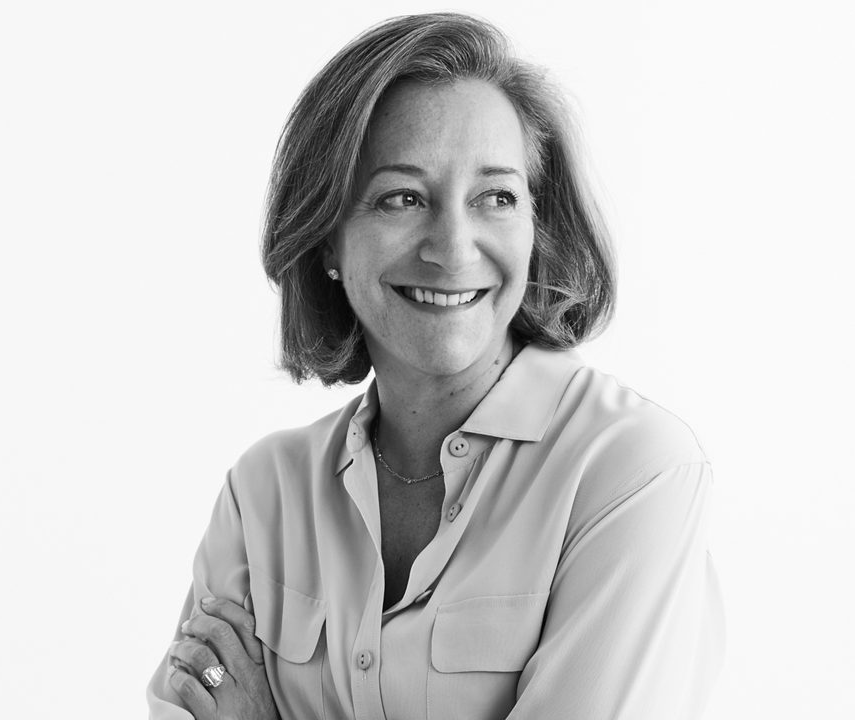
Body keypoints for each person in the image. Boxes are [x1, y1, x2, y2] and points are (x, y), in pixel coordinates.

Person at [147, 12, 724, 720]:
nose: (453, 248)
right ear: (327, 238)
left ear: (536, 227)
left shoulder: (629, 471)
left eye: (496, 197)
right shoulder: (263, 496)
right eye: (403, 198)